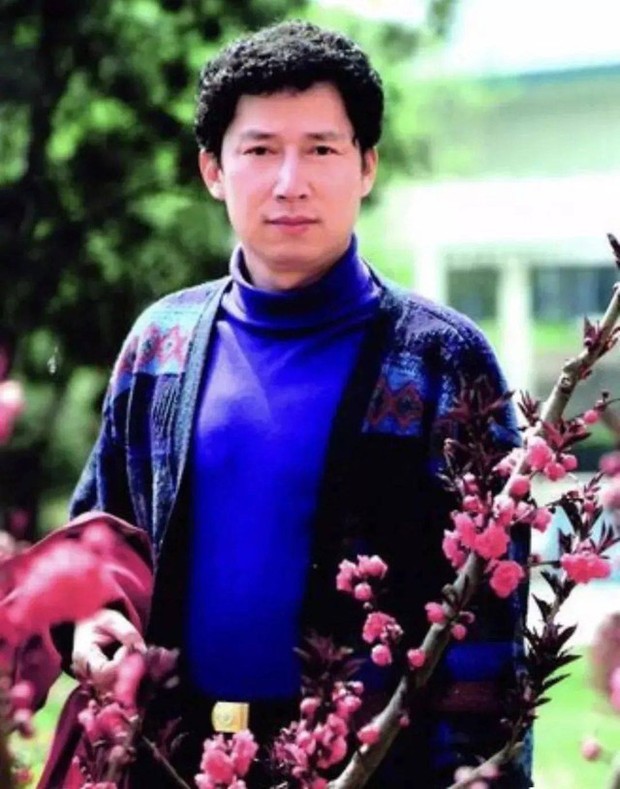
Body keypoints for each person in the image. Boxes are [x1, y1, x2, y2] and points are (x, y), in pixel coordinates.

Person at [40, 20, 531, 788]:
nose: (290, 181)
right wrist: (88, 617)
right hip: (168, 758)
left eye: (322, 150)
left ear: (367, 166)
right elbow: (99, 540)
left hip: (369, 765)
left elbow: (490, 622)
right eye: (261, 150)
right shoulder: (160, 345)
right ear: (213, 169)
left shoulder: (445, 360)